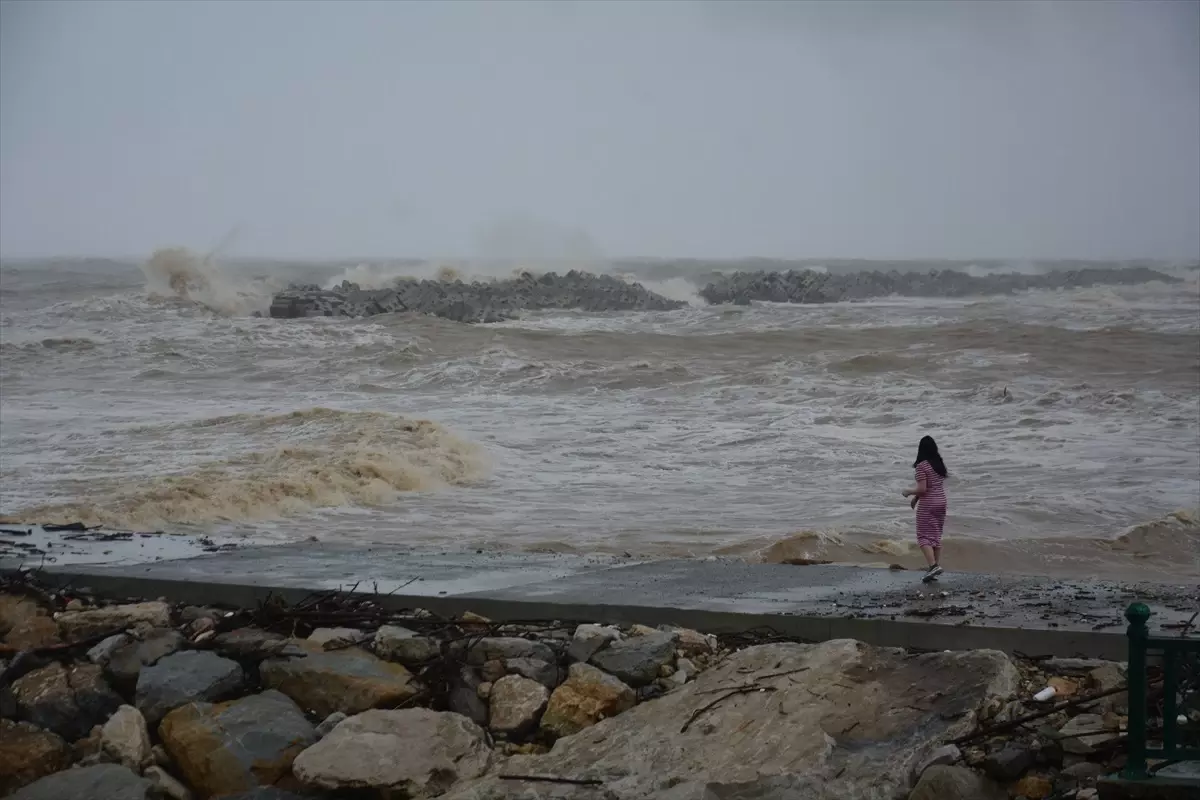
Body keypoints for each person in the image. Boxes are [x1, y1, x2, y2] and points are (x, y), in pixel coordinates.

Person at [902, 435, 948, 582]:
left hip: (929, 504)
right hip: (941, 502)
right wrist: (916, 499)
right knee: (936, 535)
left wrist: (909, 492)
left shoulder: (922, 466)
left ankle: (933, 566)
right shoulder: (938, 464)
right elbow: (932, 487)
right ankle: (934, 568)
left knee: (923, 536)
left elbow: (922, 488)